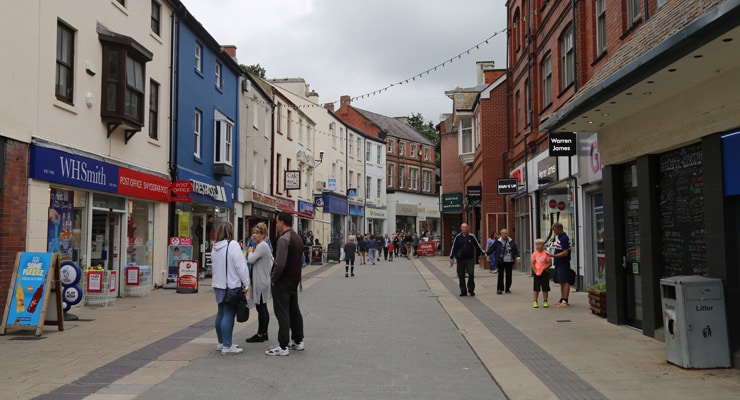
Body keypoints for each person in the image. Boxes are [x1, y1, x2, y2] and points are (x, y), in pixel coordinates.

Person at [266, 212, 305, 356]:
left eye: (277, 222)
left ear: (282, 222)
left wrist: (273, 278)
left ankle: (283, 345)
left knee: (282, 312)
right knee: (294, 311)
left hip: (283, 281)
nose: (276, 224)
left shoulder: (284, 239)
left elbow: (280, 263)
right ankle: (298, 340)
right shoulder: (297, 238)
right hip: (294, 280)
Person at [211, 222, 250, 355]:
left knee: (221, 313)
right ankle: (227, 346)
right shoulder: (232, 245)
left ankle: (221, 342)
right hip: (231, 285)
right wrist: (246, 282)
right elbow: (240, 266)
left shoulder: (215, 247)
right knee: (229, 314)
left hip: (218, 285)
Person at [245, 223, 273, 343]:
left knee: (261, 307)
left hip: (261, 281)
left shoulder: (262, 246)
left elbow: (250, 260)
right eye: (253, 233)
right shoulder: (263, 246)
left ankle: (261, 333)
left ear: (263, 235)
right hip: (262, 280)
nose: (254, 235)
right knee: (262, 307)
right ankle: (263, 332)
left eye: (257, 233)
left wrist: (250, 251)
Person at [449, 223, 487, 297]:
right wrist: (451, 257)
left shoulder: (472, 236)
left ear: (468, 228)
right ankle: (463, 291)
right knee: (461, 275)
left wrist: (483, 252)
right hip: (461, 259)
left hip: (470, 258)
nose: (464, 229)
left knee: (471, 273)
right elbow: (454, 247)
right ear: (461, 229)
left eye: (466, 227)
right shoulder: (458, 237)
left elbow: (477, 245)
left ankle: (471, 289)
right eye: (463, 227)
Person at [490, 229, 521, 295]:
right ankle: (499, 289)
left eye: (506, 233)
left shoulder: (511, 241)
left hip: (509, 260)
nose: (505, 235)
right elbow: (492, 248)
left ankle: (507, 288)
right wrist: (486, 253)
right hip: (501, 260)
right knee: (500, 275)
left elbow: (515, 249)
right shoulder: (498, 241)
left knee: (509, 275)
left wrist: (518, 257)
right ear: (501, 234)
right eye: (503, 233)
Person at [551, 222, 572, 307]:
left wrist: (554, 255)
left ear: (559, 229)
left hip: (563, 263)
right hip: (559, 263)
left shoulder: (564, 238)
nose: (554, 232)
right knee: (561, 281)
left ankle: (565, 300)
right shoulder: (560, 237)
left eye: (555, 230)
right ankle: (562, 298)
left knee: (565, 281)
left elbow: (565, 252)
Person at [531, 238, 552, 308]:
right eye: (537, 244)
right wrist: (535, 271)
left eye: (540, 244)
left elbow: (549, 263)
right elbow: (532, 263)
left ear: (543, 245)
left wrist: (544, 268)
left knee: (545, 288)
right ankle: (535, 301)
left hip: (544, 273)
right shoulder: (534, 254)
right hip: (537, 273)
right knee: (536, 288)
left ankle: (545, 301)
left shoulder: (546, 253)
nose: (538, 246)